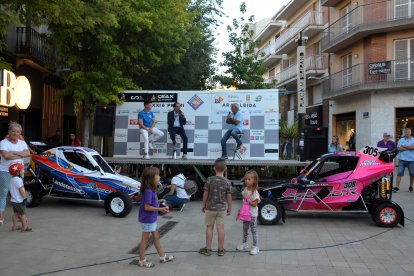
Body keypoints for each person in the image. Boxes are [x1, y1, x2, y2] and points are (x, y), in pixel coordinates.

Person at [138, 166, 174, 268]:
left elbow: (150, 203)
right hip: (148, 219)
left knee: (156, 237)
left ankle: (162, 256)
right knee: (144, 240)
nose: (159, 176)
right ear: (151, 178)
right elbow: (147, 207)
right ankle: (141, 260)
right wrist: (160, 209)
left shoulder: (151, 190)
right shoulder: (149, 191)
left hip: (151, 218)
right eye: (157, 175)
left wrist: (159, 201)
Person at [199, 158, 232, 256]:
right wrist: (229, 207)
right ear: (225, 168)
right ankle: (220, 250)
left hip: (210, 208)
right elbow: (229, 196)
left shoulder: (210, 179)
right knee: (220, 228)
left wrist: (204, 204)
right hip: (221, 209)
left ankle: (208, 249)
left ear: (214, 168)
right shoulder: (227, 182)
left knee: (209, 228)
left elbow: (205, 193)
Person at [0, 122, 31, 225]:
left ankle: (19, 216)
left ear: (20, 133)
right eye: (13, 131)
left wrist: (13, 153)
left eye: (18, 131)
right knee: (3, 193)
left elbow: (27, 153)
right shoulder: (3, 142)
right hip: (5, 170)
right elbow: (6, 156)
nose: (15, 133)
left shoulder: (22, 143)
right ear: (9, 132)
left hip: (18, 171)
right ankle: (1, 218)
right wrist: (20, 155)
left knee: (18, 193)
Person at [236, 170, 260, 255]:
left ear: (254, 181)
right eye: (246, 179)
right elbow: (244, 201)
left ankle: (255, 246)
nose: (246, 181)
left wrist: (248, 200)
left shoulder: (255, 192)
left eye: (249, 179)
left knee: (253, 230)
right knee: (245, 229)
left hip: (252, 215)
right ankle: (244, 243)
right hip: (245, 214)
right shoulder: (245, 189)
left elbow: (255, 204)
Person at [9, 162, 31, 232]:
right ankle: (24, 227)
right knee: (22, 214)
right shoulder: (18, 180)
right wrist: (24, 198)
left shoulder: (11, 180)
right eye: (22, 170)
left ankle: (14, 226)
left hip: (13, 200)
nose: (23, 171)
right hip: (19, 201)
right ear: (18, 172)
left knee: (15, 214)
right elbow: (21, 190)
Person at [393, 128, 414, 193]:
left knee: (412, 174)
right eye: (406, 132)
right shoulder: (401, 140)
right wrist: (409, 147)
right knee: (399, 173)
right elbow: (399, 148)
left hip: (411, 160)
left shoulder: (413, 140)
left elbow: (413, 147)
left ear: (410, 133)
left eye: (408, 132)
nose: (407, 133)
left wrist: (404, 146)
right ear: (405, 133)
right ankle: (397, 187)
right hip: (402, 159)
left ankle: (410, 186)